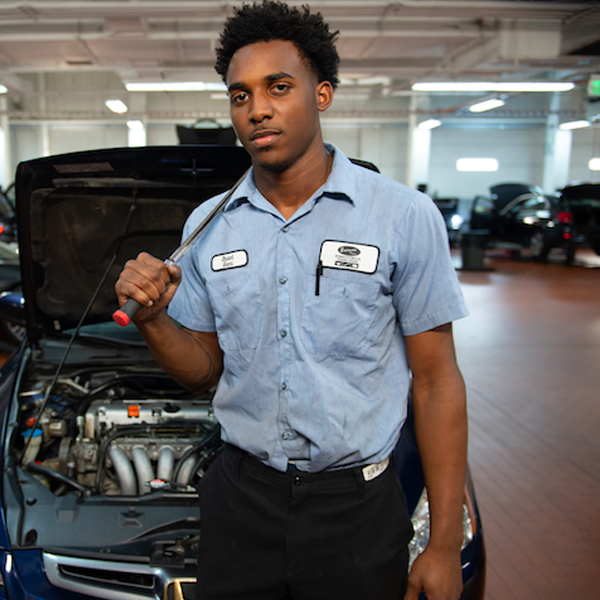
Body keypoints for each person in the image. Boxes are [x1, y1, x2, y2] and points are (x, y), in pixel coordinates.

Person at [115, 2, 469, 599]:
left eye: (278, 87)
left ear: (322, 94)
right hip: (241, 501)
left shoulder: (403, 217)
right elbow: (203, 371)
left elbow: (437, 383)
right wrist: (152, 321)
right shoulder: (209, 226)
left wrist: (442, 543)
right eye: (240, 95)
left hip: (357, 509)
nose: (257, 108)